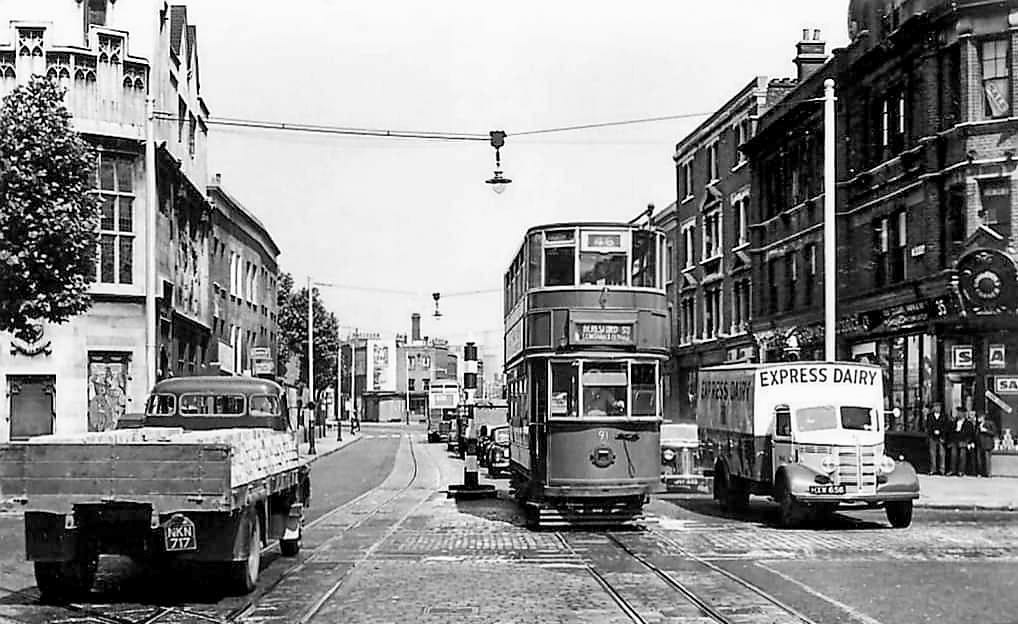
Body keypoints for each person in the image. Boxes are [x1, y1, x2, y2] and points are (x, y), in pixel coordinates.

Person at [946, 407, 970, 476]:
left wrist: (967, 441)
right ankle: (952, 470)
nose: (958, 414)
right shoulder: (953, 422)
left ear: (963, 414)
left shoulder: (968, 423)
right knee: (953, 456)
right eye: (958, 412)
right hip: (954, 440)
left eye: (960, 413)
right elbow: (950, 431)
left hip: (963, 440)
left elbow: (970, 433)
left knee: (962, 456)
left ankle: (961, 471)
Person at [926, 402, 947, 475]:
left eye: (939, 407)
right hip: (932, 436)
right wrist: (933, 432)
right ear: (933, 408)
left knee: (942, 453)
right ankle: (933, 469)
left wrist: (941, 434)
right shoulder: (930, 416)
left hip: (941, 436)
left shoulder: (944, 416)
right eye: (936, 407)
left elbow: (945, 426)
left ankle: (942, 469)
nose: (937, 408)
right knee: (932, 453)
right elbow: (928, 426)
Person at [975, 413, 998, 477]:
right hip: (979, 443)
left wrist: (986, 430)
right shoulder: (978, 425)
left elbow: (994, 432)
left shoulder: (990, 423)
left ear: (983, 417)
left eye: (979, 417)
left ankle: (988, 473)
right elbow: (976, 434)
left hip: (987, 444)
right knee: (979, 459)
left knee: (987, 459)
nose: (978, 419)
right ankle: (980, 473)